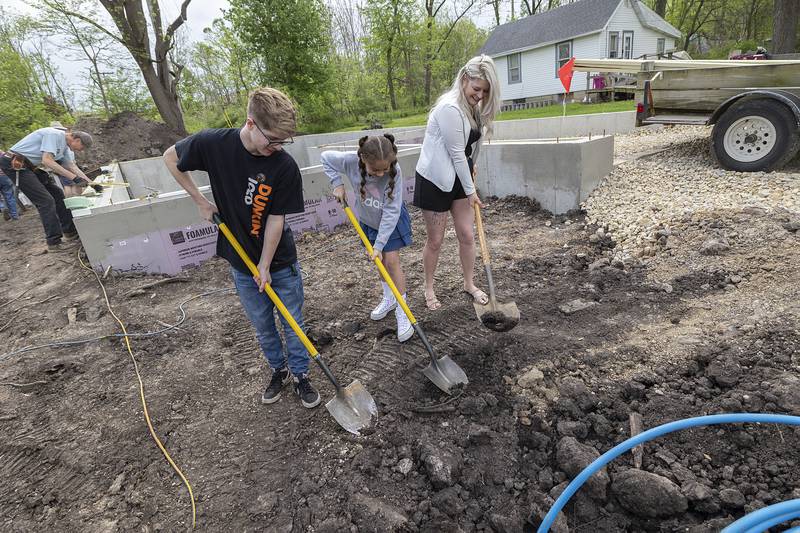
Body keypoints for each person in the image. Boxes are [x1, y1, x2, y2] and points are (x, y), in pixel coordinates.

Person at [162, 87, 321, 409]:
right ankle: (279, 371)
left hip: (280, 261)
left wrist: (265, 264)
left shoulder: (284, 166)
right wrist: (200, 200)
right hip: (239, 260)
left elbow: (276, 220)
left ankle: (301, 374)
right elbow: (170, 158)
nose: (277, 147)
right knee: (263, 325)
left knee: (293, 322)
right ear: (251, 124)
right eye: (273, 139)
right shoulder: (213, 144)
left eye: (283, 142)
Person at [413, 55, 501, 310]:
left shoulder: (476, 108)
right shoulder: (449, 108)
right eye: (476, 89)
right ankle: (429, 288)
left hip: (460, 176)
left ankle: (469, 283)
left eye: (485, 91)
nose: (480, 95)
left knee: (466, 234)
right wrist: (472, 190)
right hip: (435, 179)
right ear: (464, 80)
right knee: (436, 240)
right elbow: (454, 153)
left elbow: (472, 147)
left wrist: (473, 168)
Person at [321, 134, 414, 342]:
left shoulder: (395, 172)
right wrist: (337, 183)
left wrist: (380, 244)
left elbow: (391, 211)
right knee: (379, 261)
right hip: (368, 222)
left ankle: (402, 308)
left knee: (391, 261)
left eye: (385, 169)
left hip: (391, 222)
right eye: (375, 170)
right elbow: (326, 157)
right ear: (363, 158)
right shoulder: (350, 161)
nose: (381, 173)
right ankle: (389, 298)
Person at [0, 128, 93, 250]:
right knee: (45, 201)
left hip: (28, 165)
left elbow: (71, 166)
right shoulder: (53, 135)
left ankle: (70, 232)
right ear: (76, 139)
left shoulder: (65, 146)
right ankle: (54, 242)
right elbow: (47, 160)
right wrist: (73, 178)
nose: (81, 150)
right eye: (82, 147)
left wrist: (91, 183)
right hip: (15, 164)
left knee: (58, 194)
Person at [0, 154, 19, 221]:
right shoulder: (1, 152)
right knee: (9, 196)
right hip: (4, 176)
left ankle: (3, 207)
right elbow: (9, 160)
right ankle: (14, 216)